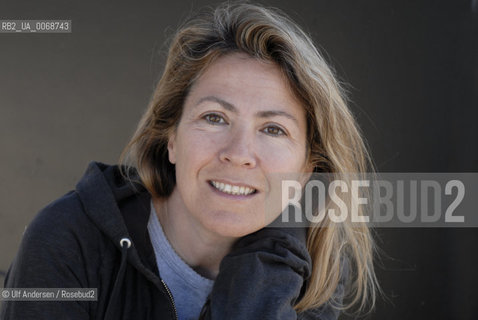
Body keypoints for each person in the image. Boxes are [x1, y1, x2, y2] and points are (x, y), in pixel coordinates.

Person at [1, 3, 378, 319]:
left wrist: (261, 277)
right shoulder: (68, 238)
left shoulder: (313, 265)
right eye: (215, 118)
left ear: (306, 170)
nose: (239, 153)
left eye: (274, 129)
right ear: (171, 138)